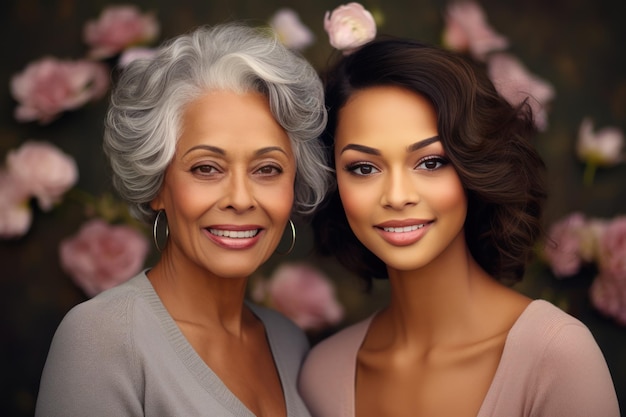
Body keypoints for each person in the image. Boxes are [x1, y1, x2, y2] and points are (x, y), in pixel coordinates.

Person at [298, 37, 620, 417]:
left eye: (430, 162)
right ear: (334, 181)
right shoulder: (322, 375)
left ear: (474, 169)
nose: (397, 196)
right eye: (364, 168)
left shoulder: (557, 356)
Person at [35, 23, 329, 417]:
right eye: (207, 168)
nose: (241, 199)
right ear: (158, 185)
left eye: (267, 169)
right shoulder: (101, 338)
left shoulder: (289, 342)